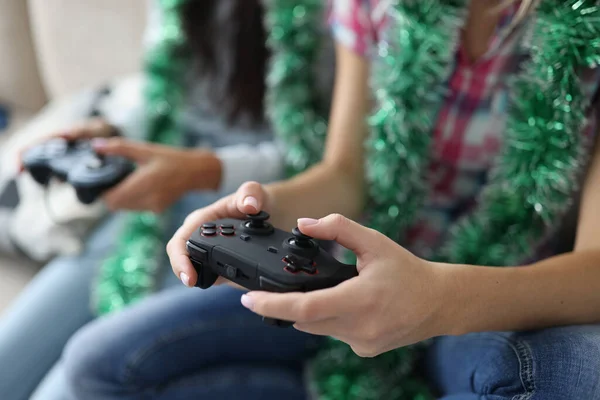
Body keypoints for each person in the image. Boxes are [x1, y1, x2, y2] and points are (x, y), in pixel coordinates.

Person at [60, 0, 600, 399]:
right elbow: (345, 174)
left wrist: (437, 300)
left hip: (486, 296)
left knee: (574, 372)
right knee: (97, 365)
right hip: (344, 272)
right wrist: (260, 201)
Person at [0, 1, 315, 399]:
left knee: (70, 387)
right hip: (145, 215)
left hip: (252, 229)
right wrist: (109, 133)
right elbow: (163, 97)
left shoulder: (325, 15)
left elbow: (328, 160)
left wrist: (203, 170)